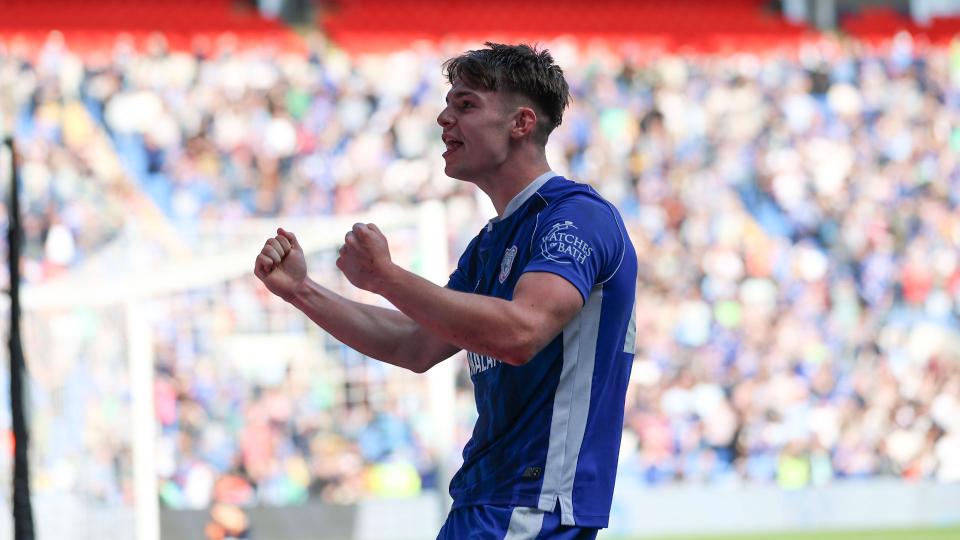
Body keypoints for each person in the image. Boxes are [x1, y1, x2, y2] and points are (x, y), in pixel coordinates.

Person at [254, 42, 637, 539]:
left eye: (466, 105)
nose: (443, 118)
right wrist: (302, 291)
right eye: (447, 103)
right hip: (488, 501)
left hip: (532, 505)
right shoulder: (489, 244)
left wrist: (386, 277)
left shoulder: (577, 216)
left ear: (521, 123)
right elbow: (415, 344)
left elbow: (522, 333)